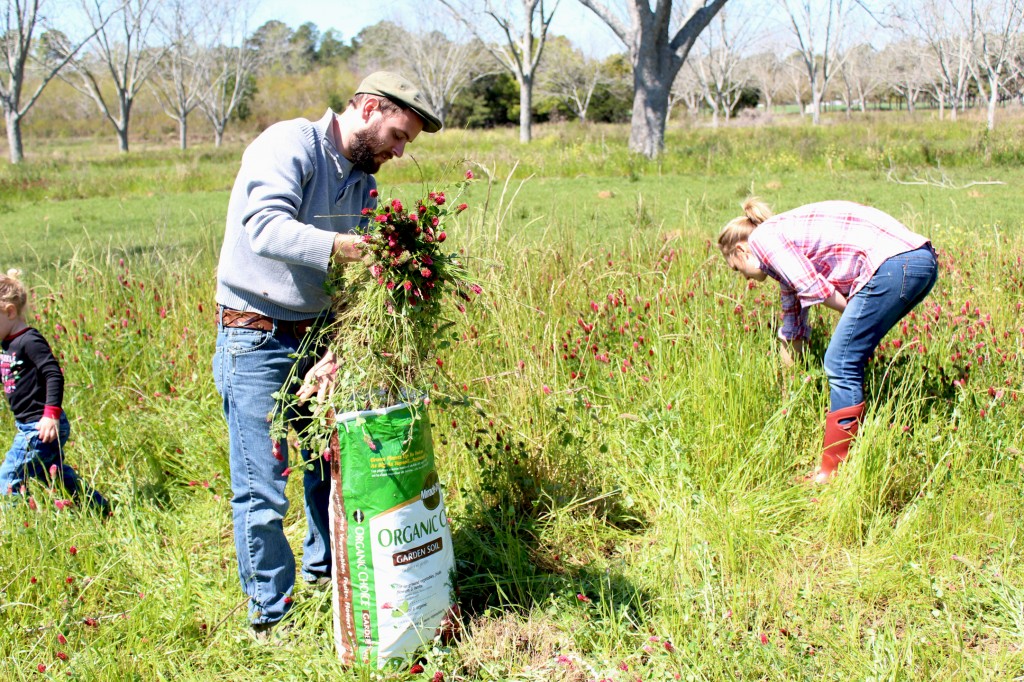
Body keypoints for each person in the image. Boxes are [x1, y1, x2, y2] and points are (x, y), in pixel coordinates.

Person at [212, 72, 443, 639]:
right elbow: (265, 228)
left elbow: (347, 285)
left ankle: (323, 580)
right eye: (397, 133)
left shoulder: (363, 185)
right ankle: (271, 616)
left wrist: (336, 352)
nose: (399, 149)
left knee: (326, 470)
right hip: (255, 336)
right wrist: (346, 246)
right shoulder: (289, 144)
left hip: (315, 337)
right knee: (263, 486)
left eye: (406, 141)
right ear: (367, 108)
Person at [717, 198, 938, 483]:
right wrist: (787, 392)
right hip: (917, 261)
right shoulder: (782, 254)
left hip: (896, 263)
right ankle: (843, 465)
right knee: (848, 357)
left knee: (841, 361)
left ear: (739, 250)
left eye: (736, 269)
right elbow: (793, 328)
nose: (743, 278)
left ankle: (832, 474)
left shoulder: (763, 238)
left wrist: (854, 314)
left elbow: (811, 285)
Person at [1, 269, 109, 511]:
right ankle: (101, 509)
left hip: (40, 427)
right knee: (55, 476)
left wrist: (51, 415)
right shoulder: (6, 344)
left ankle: (15, 532)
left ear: (9, 312)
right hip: (29, 425)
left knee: (7, 479)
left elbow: (53, 374)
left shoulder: (29, 340)